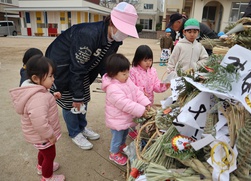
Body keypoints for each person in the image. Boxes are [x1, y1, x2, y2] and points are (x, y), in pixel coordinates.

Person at [45, 2, 139, 150]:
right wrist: (77, 96)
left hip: (82, 69)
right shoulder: (88, 35)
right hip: (63, 67)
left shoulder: (114, 40)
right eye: (123, 29)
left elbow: (105, 63)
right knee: (72, 102)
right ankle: (74, 132)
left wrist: (112, 80)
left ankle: (82, 127)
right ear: (112, 22)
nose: (124, 34)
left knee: (84, 98)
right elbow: (77, 67)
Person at [9, 55, 65, 181]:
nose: (53, 79)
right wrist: (50, 135)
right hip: (43, 135)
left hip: (39, 137)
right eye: (50, 76)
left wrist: (52, 97)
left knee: (43, 152)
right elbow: (40, 122)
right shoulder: (38, 97)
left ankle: (41, 166)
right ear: (35, 78)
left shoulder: (37, 91)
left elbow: (41, 106)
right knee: (50, 156)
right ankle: (47, 177)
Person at [101, 53, 151, 166]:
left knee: (124, 134)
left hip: (125, 119)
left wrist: (146, 103)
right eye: (124, 73)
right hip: (117, 120)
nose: (127, 75)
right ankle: (113, 153)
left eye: (128, 72)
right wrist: (141, 110)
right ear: (113, 74)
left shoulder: (126, 81)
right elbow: (126, 104)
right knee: (117, 137)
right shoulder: (113, 89)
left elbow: (137, 92)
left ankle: (122, 146)